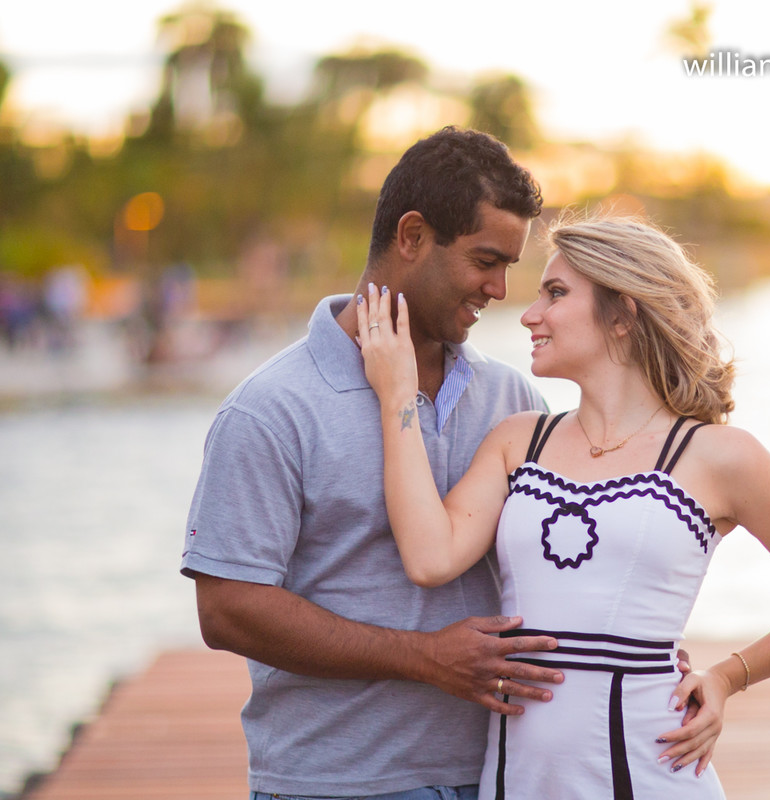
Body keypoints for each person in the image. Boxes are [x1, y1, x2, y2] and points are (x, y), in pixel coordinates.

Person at [357, 214, 770, 799]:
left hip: (653, 775)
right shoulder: (517, 440)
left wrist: (729, 676)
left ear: (623, 313)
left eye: (555, 294)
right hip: (518, 783)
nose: (530, 314)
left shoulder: (719, 456)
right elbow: (429, 558)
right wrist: (397, 395)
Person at [181, 127, 575, 800]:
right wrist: (425, 659)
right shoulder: (270, 410)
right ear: (413, 236)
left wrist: (649, 660)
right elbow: (228, 611)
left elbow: (560, 561)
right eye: (486, 260)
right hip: (336, 784)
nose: (501, 289)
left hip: (498, 777)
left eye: (510, 266)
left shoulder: (513, 399)